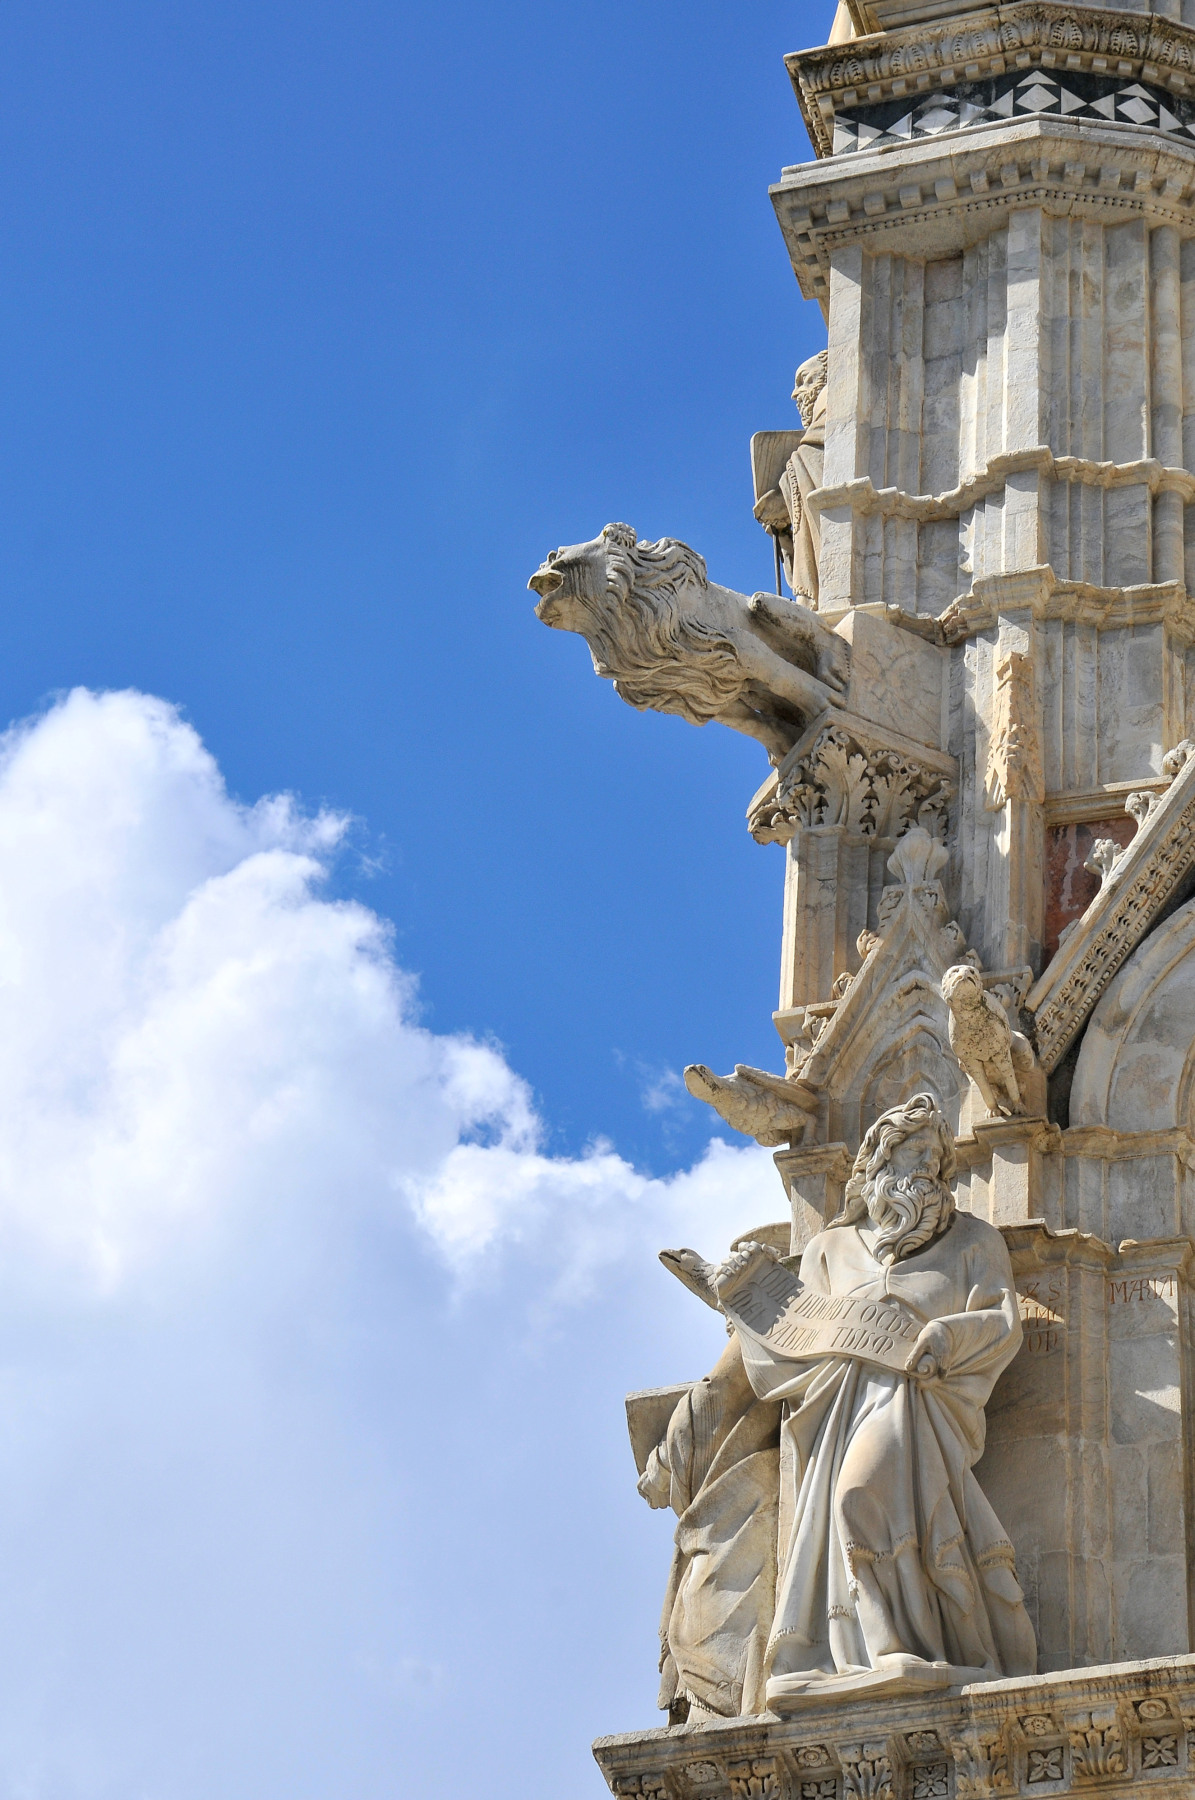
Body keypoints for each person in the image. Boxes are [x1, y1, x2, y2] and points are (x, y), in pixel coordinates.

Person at [718, 1093, 1038, 1709]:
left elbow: (1002, 1320)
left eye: (936, 1157)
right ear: (879, 1162)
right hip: (842, 1402)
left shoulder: (974, 1239)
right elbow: (791, 1338)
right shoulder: (829, 1251)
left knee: (859, 1495)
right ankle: (871, 1646)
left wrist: (946, 1336)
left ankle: (909, 1641)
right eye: (913, 1152)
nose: (927, 1168)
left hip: (919, 1400)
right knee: (847, 1506)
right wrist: (743, 1291)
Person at [753, 351, 827, 607]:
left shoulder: (831, 403)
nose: (796, 394)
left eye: (805, 381)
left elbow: (813, 457)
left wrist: (781, 500)